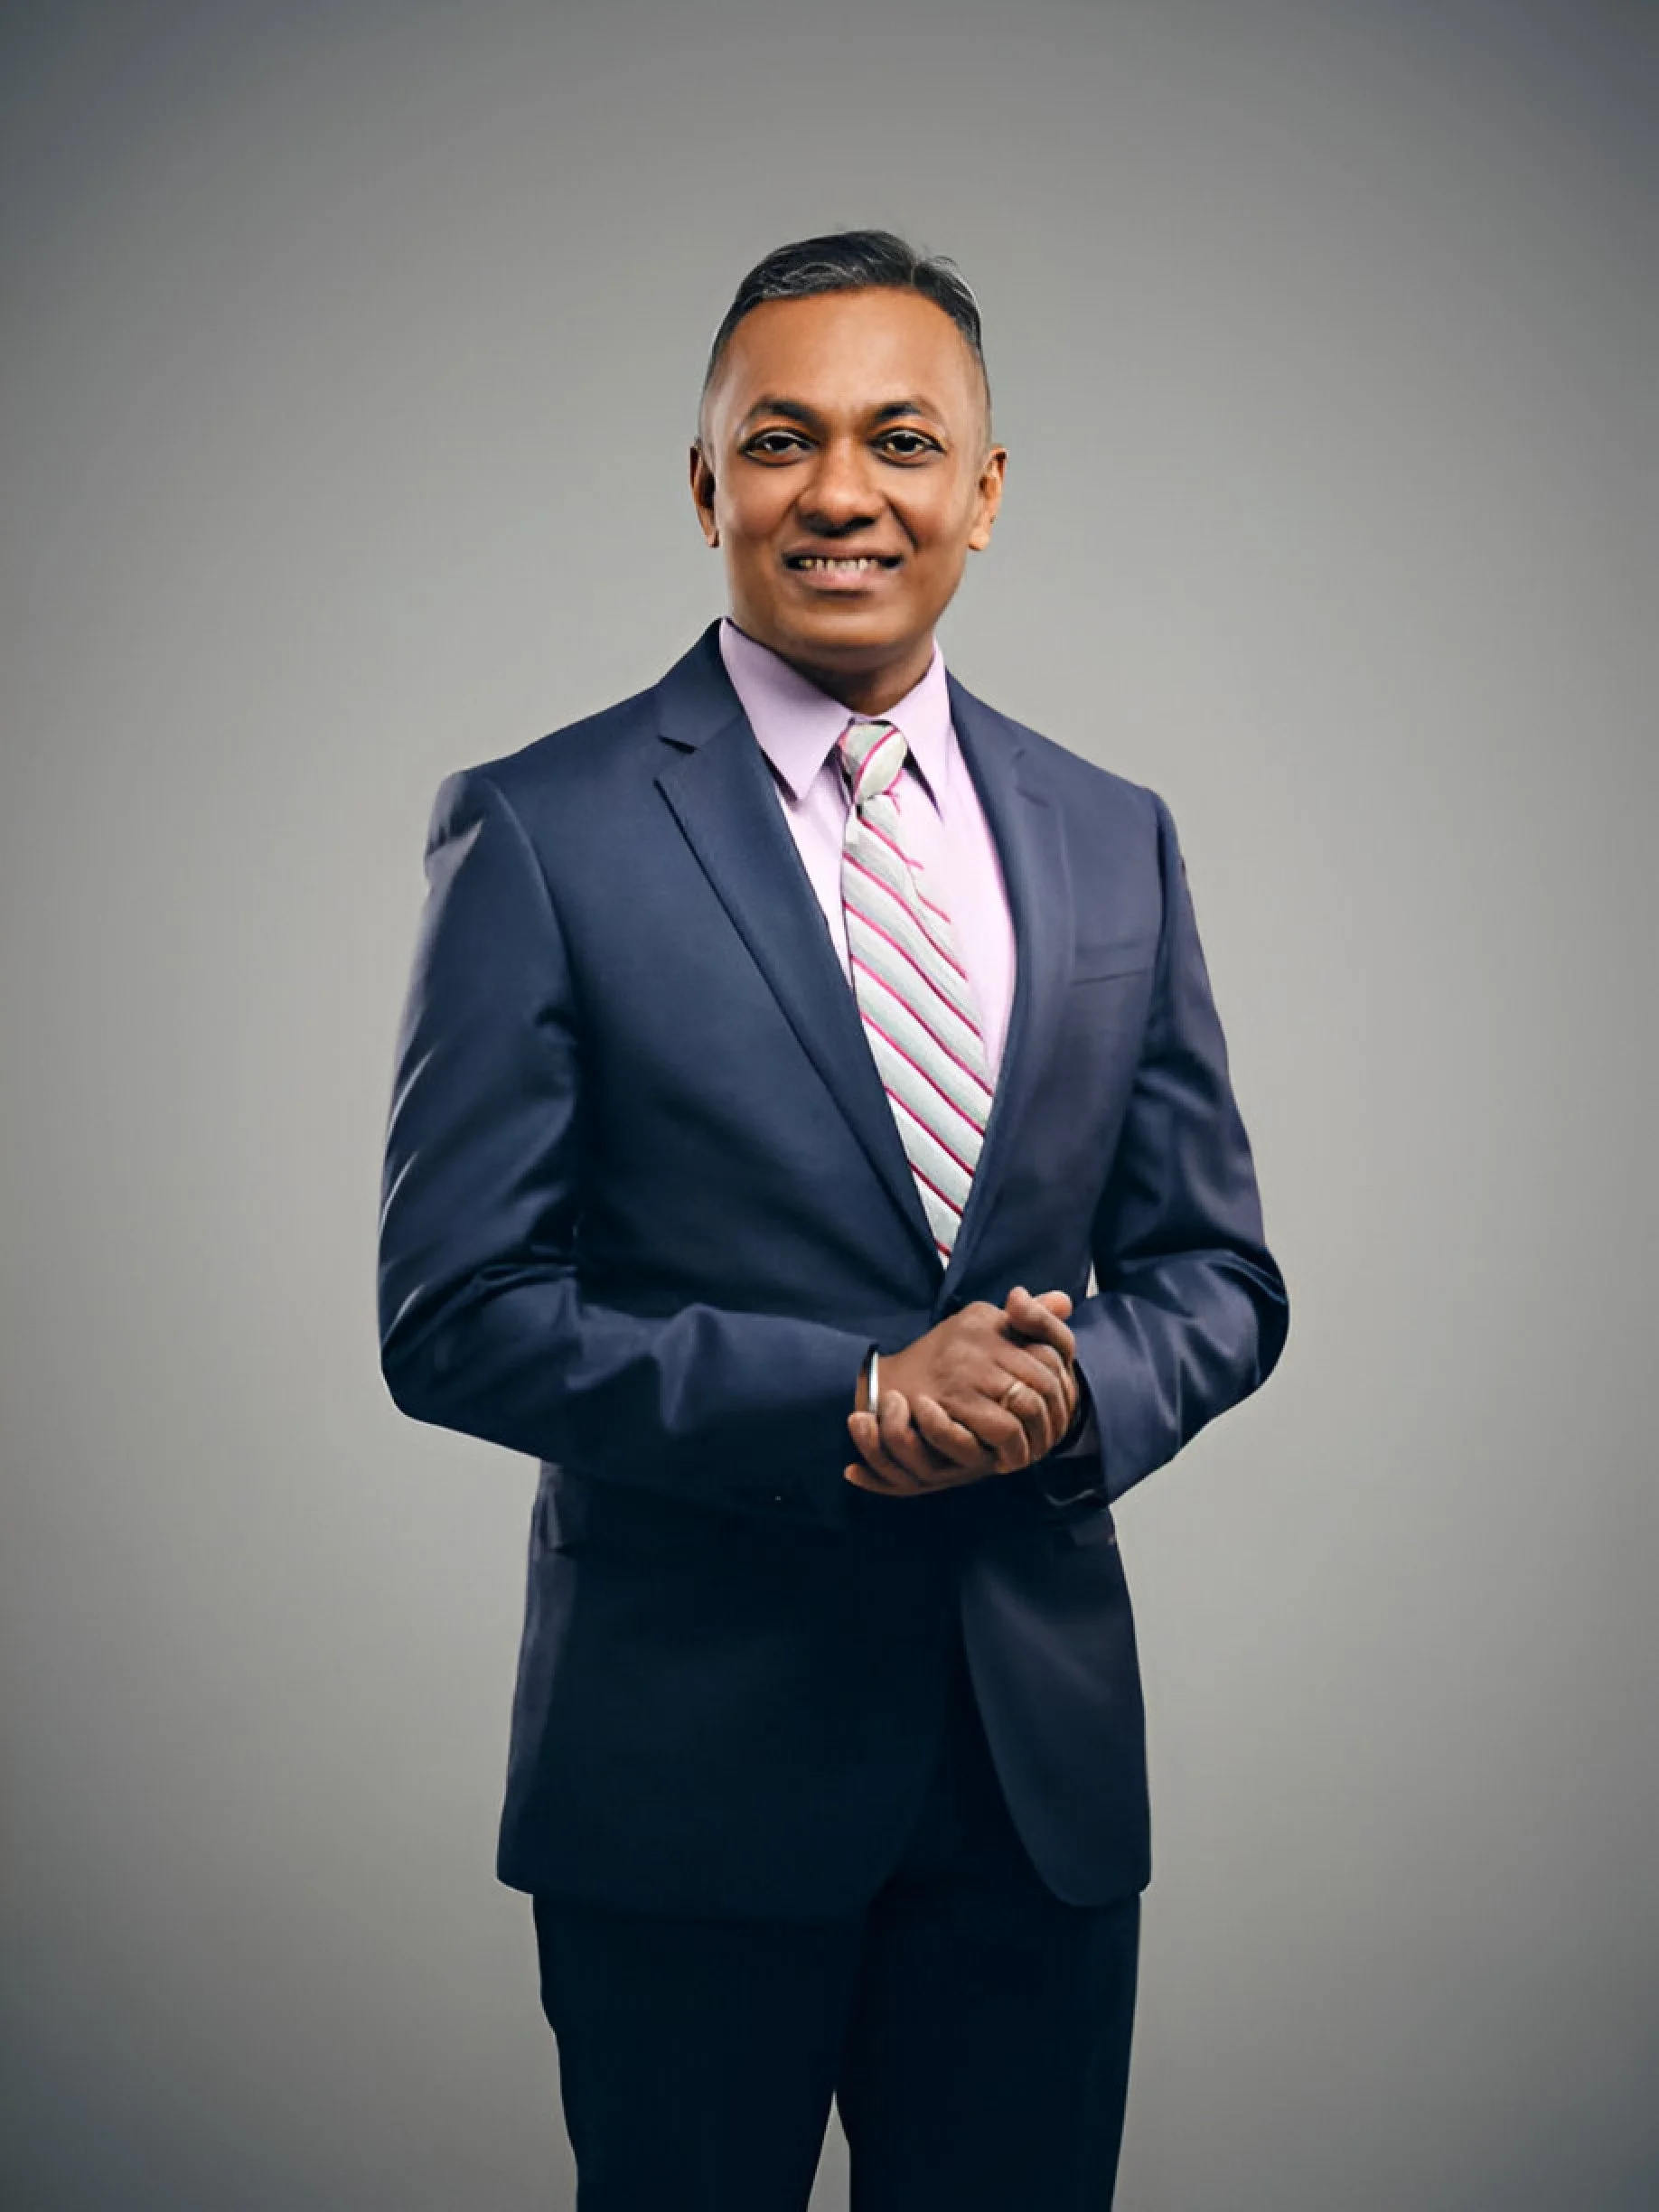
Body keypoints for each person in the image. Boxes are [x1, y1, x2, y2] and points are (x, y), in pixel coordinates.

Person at [378, 229, 1288, 2211]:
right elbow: (457, 1312)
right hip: (688, 1780)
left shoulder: (1109, 829)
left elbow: (1219, 1272)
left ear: (985, 489)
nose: (842, 490)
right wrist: (852, 1396)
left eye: (902, 438)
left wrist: (1070, 1396)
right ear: (706, 486)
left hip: (1032, 1784)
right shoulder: (541, 830)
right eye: (780, 441)